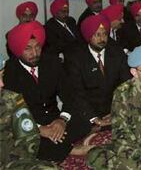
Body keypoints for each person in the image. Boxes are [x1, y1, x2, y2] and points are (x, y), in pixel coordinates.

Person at [4, 21, 90, 162]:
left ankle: (57, 144)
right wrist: (40, 130)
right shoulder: (9, 73)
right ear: (18, 49)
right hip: (29, 124)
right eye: (28, 49)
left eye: (38, 47)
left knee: (84, 120)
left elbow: (69, 95)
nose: (35, 53)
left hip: (54, 118)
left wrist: (61, 120)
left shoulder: (52, 62)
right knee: (22, 142)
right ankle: (69, 149)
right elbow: (13, 112)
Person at [64, 15, 131, 131]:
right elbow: (77, 93)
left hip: (115, 108)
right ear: (88, 36)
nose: (102, 39)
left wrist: (117, 110)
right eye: (97, 35)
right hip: (88, 111)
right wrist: (93, 118)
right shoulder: (76, 58)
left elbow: (126, 84)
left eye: (105, 34)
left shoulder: (117, 52)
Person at [0, 53, 59, 169]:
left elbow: (29, 138)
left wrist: (15, 163)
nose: (2, 84)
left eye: (1, 75)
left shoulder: (11, 99)